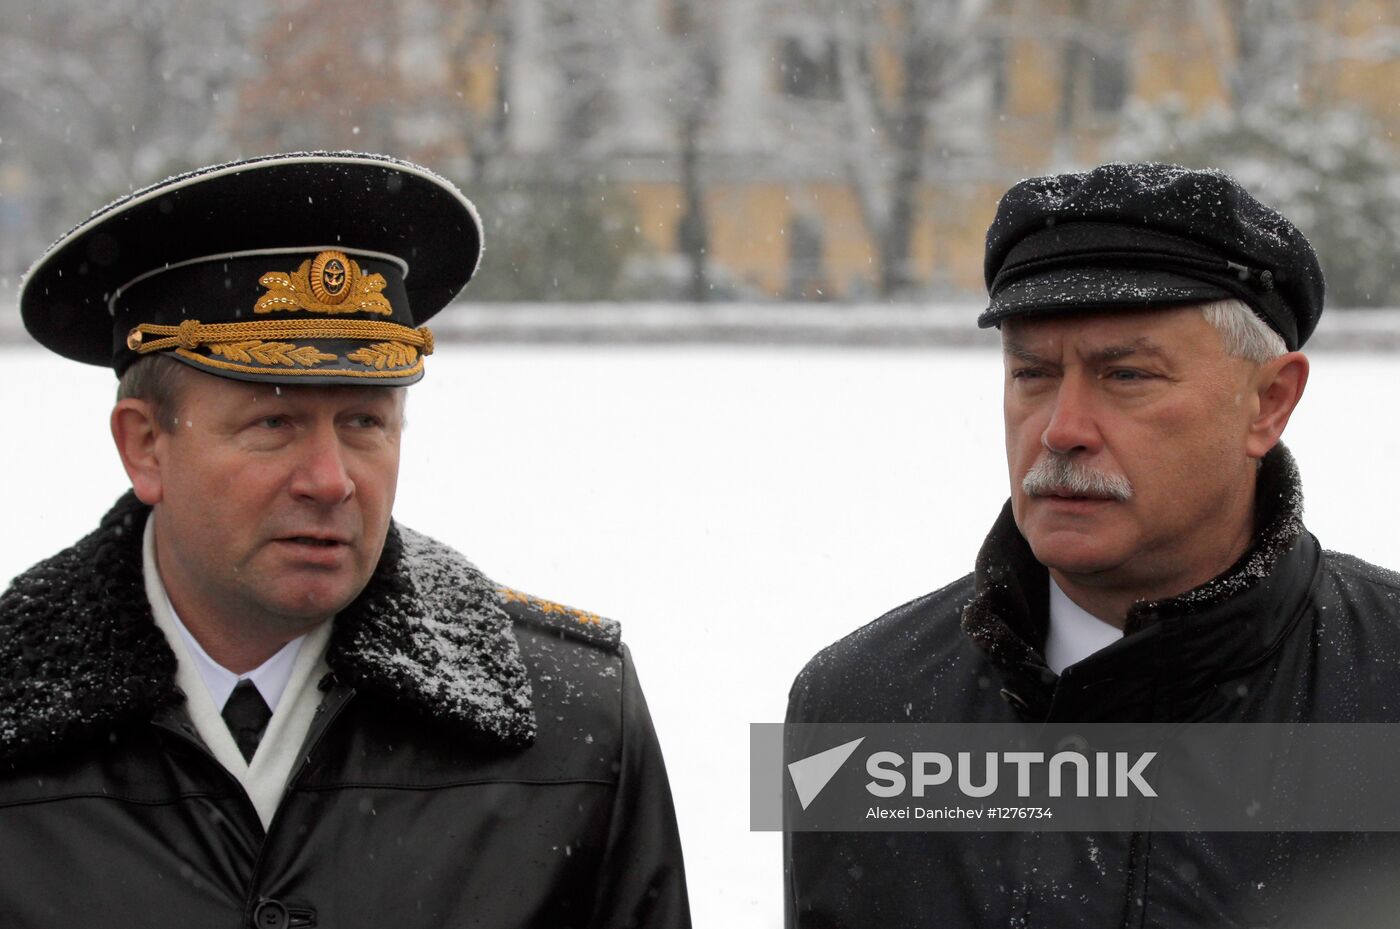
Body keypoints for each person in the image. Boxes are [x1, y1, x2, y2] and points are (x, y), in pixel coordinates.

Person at [0, 152, 690, 929]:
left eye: (364, 421)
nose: (331, 480)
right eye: (273, 423)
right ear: (146, 445)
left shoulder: (574, 726)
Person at [786, 163, 1400, 927]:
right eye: (1032, 373)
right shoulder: (859, 707)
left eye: (1127, 374)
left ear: (1269, 402)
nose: (1061, 428)